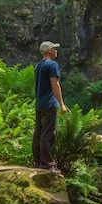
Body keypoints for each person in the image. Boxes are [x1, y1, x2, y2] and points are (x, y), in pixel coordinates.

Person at [32, 40, 67, 173]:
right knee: (48, 134)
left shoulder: (38, 65)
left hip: (39, 103)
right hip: (49, 104)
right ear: (50, 51)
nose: (56, 51)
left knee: (39, 133)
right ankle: (47, 164)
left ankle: (38, 162)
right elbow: (55, 85)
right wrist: (62, 104)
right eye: (54, 48)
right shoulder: (52, 65)